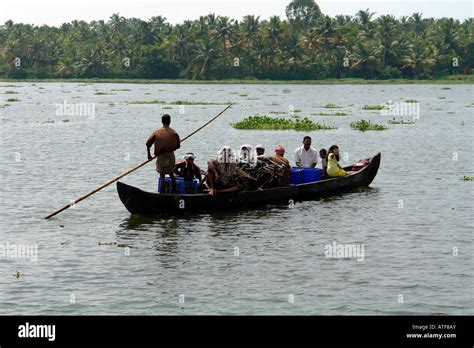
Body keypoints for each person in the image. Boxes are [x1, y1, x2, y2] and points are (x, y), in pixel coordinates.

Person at [146, 114, 180, 193]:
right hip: (171, 155)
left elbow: (148, 144)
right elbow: (178, 146)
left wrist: (149, 155)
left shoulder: (157, 132)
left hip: (161, 156)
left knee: (162, 175)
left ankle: (162, 192)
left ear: (162, 121)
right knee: (172, 174)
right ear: (170, 122)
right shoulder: (174, 132)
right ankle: (175, 191)